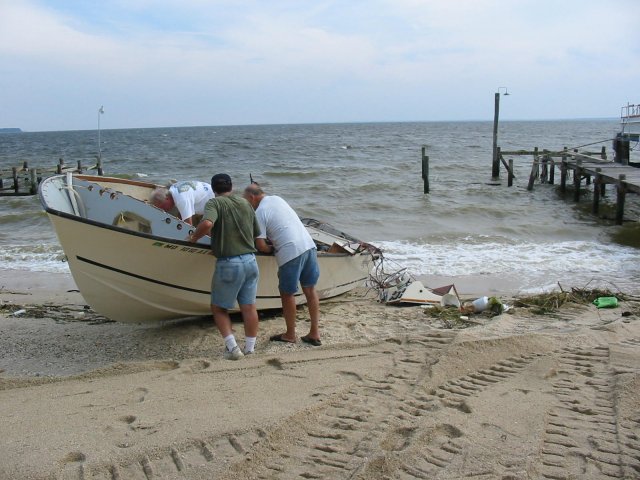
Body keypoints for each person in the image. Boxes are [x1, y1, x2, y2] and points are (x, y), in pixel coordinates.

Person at [188, 174, 260, 360]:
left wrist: (194, 238)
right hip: (251, 261)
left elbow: (207, 223)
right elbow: (256, 233)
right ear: (232, 186)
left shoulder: (215, 203)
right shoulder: (246, 203)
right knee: (249, 307)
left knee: (219, 308)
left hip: (230, 263)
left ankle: (232, 348)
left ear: (213, 189)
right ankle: (250, 349)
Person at [243, 184, 322, 346]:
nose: (247, 205)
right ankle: (314, 333)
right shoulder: (278, 199)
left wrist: (271, 248)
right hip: (309, 245)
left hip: (290, 251)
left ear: (252, 197)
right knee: (310, 290)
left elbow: (261, 246)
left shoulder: (259, 212)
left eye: (246, 201)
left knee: (287, 293)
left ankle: (290, 334)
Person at [150, 180, 214, 225]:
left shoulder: (181, 199)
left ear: (166, 198)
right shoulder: (173, 189)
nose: (164, 210)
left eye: (163, 207)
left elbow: (188, 226)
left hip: (216, 203)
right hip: (210, 193)